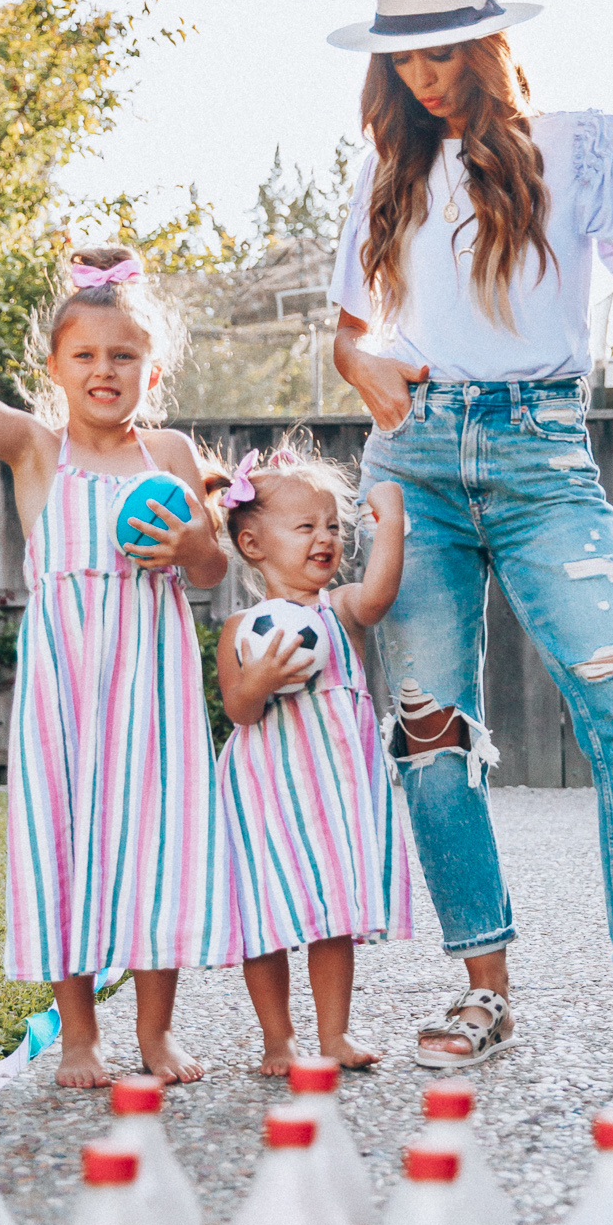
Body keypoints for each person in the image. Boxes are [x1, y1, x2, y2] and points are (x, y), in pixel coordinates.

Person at [326, 0, 613, 1092]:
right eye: (401, 52)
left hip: (542, 453)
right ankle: (483, 991)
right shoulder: (380, 176)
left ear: (483, 37)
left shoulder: (575, 145)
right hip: (412, 466)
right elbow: (352, 331)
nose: (421, 71)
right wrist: (359, 367)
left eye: (441, 45)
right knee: (429, 733)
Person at [0, 235, 237, 1088]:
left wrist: (187, 545)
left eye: (125, 355)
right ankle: (79, 1038)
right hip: (66, 686)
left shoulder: (168, 455)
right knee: (62, 841)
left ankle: (157, 1033)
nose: (106, 369)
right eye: (87, 355)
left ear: (154, 372)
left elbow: (211, 571)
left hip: (154, 683)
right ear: (57, 368)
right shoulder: (37, 450)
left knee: (157, 843)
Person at [214, 439, 413, 1075]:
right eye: (305, 526)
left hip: (333, 793)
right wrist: (260, 679)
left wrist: (392, 524)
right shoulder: (242, 628)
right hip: (265, 792)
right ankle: (278, 1039)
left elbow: (379, 595)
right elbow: (238, 711)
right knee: (264, 916)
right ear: (254, 545)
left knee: (333, 917)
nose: (324, 538)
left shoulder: (341, 610)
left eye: (332, 526)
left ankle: (334, 1036)